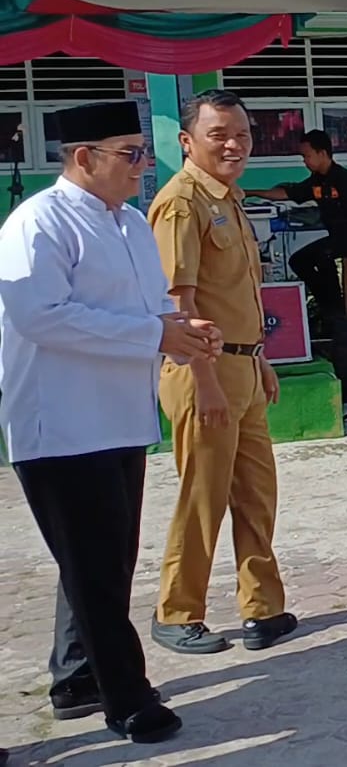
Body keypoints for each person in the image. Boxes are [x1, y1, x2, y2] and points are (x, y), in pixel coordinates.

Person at [0, 100, 222, 745]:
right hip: (62, 423)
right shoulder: (36, 224)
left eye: (142, 153)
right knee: (95, 568)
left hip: (121, 418)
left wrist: (180, 331)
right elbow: (42, 317)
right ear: (82, 158)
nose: (141, 167)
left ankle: (74, 678)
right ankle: (128, 698)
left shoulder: (127, 223)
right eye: (129, 153)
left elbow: (152, 305)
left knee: (103, 562)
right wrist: (152, 332)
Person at [148, 88, 299, 656]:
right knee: (202, 496)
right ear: (188, 142)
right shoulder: (181, 202)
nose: (233, 145)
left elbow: (239, 292)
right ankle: (177, 611)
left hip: (242, 366)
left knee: (257, 493)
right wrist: (205, 378)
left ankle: (262, 608)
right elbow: (176, 303)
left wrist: (258, 359)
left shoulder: (228, 197)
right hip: (201, 370)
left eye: (242, 135)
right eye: (219, 135)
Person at [243, 129, 347, 325]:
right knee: (299, 260)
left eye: (307, 156)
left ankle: (336, 311)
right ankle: (327, 305)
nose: (305, 161)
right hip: (336, 237)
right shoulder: (315, 182)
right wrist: (250, 192)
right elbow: (286, 193)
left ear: (322, 153)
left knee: (323, 256)